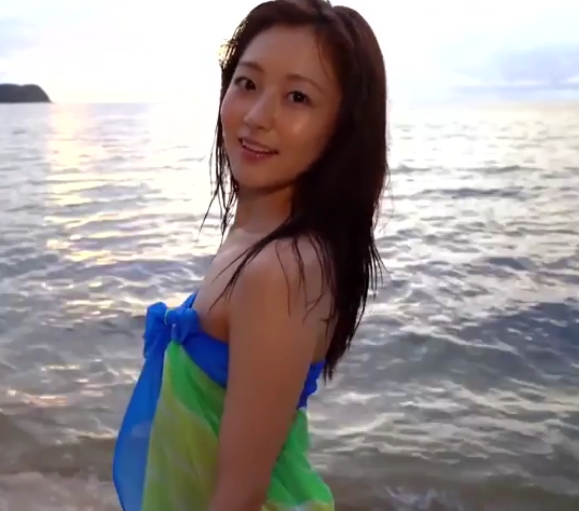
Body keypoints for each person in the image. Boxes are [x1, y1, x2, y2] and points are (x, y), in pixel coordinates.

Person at [112, 0, 388, 509]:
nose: (258, 117)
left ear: (342, 128)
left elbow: (240, 496)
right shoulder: (257, 233)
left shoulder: (281, 269)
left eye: (298, 97)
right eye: (247, 83)